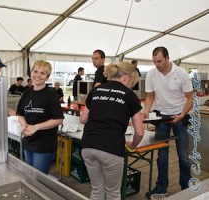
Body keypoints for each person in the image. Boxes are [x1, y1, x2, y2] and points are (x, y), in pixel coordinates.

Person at [80, 61, 144, 200]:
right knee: (113, 193)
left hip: (88, 145)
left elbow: (83, 119)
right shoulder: (130, 96)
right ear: (127, 77)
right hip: (112, 147)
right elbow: (139, 132)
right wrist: (132, 146)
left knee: (97, 190)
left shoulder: (95, 91)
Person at [144, 47, 193, 199]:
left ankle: (186, 188)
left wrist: (183, 114)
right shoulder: (151, 74)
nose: (157, 64)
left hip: (179, 116)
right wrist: (146, 109)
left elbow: (190, 98)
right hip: (161, 117)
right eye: (154, 62)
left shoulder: (181, 73)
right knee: (162, 154)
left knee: (183, 155)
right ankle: (161, 188)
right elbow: (150, 96)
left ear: (167, 58)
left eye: (159, 61)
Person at [16, 60, 64, 174]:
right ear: (31, 72)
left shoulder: (51, 94)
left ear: (47, 77)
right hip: (28, 140)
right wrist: (25, 125)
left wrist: (35, 127)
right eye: (35, 71)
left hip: (44, 143)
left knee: (38, 178)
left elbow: (58, 119)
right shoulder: (27, 93)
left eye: (42, 73)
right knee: (30, 174)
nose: (38, 75)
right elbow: (20, 114)